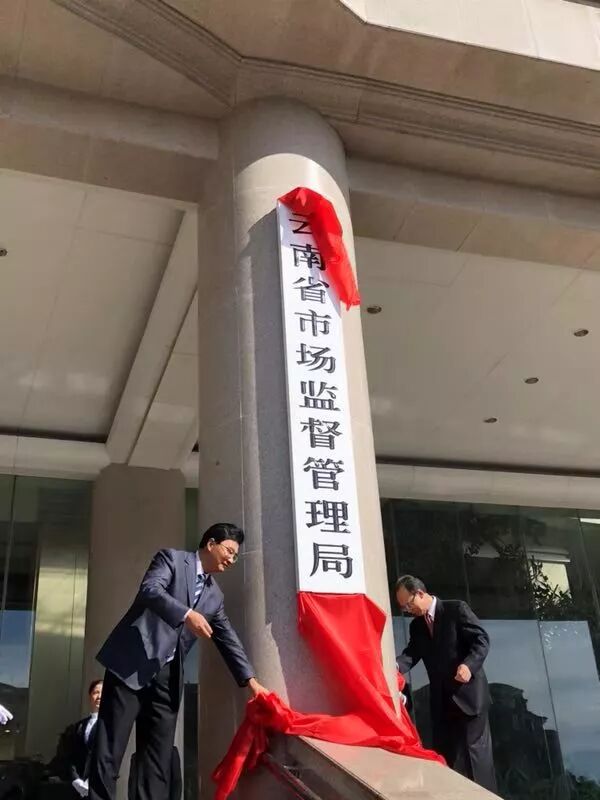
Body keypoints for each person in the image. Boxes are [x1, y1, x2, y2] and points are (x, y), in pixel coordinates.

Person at [89, 523, 267, 800]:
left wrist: (252, 682)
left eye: (235, 556)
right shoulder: (171, 560)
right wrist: (186, 614)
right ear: (211, 544)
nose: (232, 560)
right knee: (110, 746)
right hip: (132, 665)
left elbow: (227, 640)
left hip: (168, 677)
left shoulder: (214, 596)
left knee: (158, 757)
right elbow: (150, 590)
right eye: (229, 551)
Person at [395, 575, 497, 793]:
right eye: (403, 608)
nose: (408, 610)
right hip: (442, 701)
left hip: (469, 696)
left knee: (475, 756)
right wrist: (391, 668)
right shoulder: (417, 626)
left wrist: (468, 666)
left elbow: (481, 640)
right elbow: (411, 654)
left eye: (409, 604)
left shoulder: (456, 610)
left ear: (420, 593)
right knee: (445, 756)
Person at [50, 680, 103, 797]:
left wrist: (92, 779)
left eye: (103, 693)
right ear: (90, 696)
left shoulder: (110, 726)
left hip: (99, 785)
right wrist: (75, 779)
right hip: (76, 786)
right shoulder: (79, 726)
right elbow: (70, 755)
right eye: (96, 692)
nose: (99, 696)